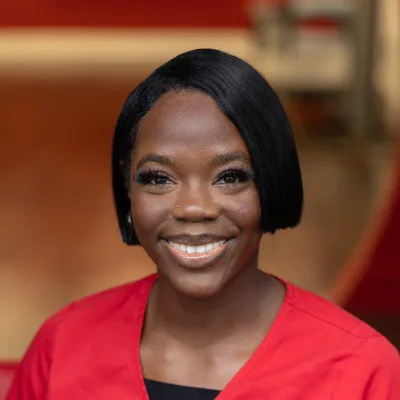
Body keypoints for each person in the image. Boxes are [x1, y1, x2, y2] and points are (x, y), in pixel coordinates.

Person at [7, 49, 400, 400]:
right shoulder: (63, 346)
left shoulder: (362, 370)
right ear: (128, 189)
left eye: (230, 177)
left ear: (272, 183)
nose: (194, 208)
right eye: (158, 178)